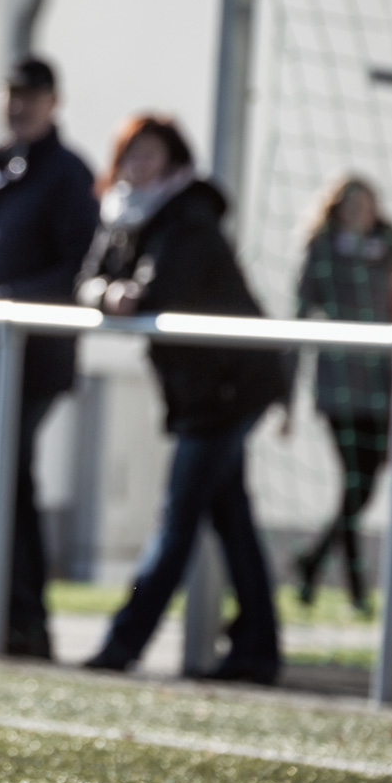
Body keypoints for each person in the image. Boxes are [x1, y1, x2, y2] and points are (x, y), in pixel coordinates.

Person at [78, 117, 289, 683]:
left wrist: (127, 294)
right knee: (229, 519)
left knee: (177, 520)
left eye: (150, 154)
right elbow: (90, 280)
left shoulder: (188, 214)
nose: (138, 165)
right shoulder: (123, 215)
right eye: (130, 154)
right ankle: (258, 649)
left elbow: (159, 285)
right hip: (202, 390)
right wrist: (106, 292)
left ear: (172, 162)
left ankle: (122, 645)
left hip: (230, 386)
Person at [0, 55, 98, 658]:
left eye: (31, 95)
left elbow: (78, 270)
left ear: (54, 101)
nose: (19, 105)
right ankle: (23, 624)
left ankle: (13, 617)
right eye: (12, 94)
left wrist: (3, 297)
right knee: (10, 489)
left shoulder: (69, 174)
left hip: (35, 359)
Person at [290, 175, 392, 613]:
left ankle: (312, 563)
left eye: (368, 203)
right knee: (355, 485)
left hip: (381, 383)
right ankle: (357, 589)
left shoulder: (391, 246)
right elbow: (300, 315)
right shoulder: (322, 248)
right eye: (352, 204)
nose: (361, 212)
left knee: (362, 488)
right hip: (338, 383)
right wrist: (287, 400)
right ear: (338, 209)